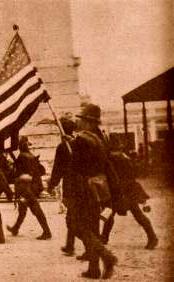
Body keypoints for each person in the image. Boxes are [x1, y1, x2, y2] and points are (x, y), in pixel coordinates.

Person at [67, 103, 118, 279]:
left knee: (78, 227)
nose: (78, 122)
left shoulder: (80, 140)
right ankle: (94, 269)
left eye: (81, 119)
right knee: (94, 228)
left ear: (88, 122)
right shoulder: (101, 139)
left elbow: (74, 168)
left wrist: (71, 146)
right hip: (100, 188)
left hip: (84, 190)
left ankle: (107, 257)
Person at [100, 134, 158, 249]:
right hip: (128, 189)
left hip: (119, 190)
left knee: (111, 214)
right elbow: (133, 173)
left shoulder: (111, 158)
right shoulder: (124, 157)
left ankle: (104, 237)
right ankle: (152, 237)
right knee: (134, 214)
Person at [7, 136, 52, 240]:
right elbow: (41, 171)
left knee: (36, 210)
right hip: (33, 186)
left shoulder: (23, 157)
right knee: (22, 210)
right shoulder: (30, 156)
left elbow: (21, 174)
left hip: (27, 188)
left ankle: (47, 231)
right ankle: (15, 228)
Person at [47, 117, 78, 255]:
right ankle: (70, 245)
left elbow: (57, 169)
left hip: (71, 186)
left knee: (72, 218)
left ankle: (91, 247)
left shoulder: (63, 146)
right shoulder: (78, 142)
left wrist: (51, 185)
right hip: (84, 184)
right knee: (73, 216)